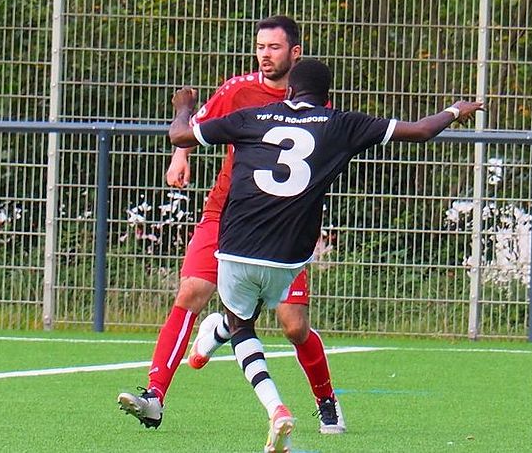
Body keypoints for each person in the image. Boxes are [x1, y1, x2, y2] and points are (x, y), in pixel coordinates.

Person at [166, 58, 483, 452]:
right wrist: (455, 110)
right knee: (261, 309)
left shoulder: (252, 116)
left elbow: (180, 135)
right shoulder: (340, 123)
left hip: (235, 247)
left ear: (289, 90)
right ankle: (220, 335)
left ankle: (274, 406)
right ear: (327, 96)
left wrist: (184, 106)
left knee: (243, 324)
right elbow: (420, 131)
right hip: (288, 257)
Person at [118, 16, 346, 434]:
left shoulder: (317, 105)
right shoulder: (238, 90)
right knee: (192, 291)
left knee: (294, 325)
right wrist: (180, 156)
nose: (264, 55)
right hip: (226, 213)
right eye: (260, 47)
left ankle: (326, 400)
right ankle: (154, 396)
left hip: (281, 225)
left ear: (295, 53)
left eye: (274, 47)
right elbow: (194, 129)